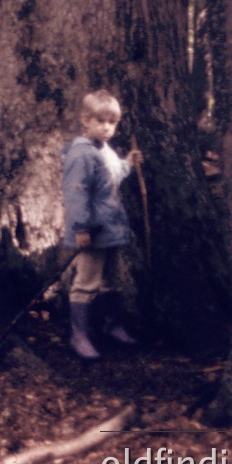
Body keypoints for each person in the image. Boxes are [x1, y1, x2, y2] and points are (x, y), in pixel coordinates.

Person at [61, 89, 140, 360]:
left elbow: (112, 177)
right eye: (100, 121)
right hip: (92, 233)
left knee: (112, 280)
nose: (107, 128)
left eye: (112, 122)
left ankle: (112, 325)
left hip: (111, 229)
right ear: (86, 121)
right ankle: (79, 335)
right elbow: (76, 192)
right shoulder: (81, 154)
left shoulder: (104, 150)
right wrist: (80, 227)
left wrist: (127, 164)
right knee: (86, 282)